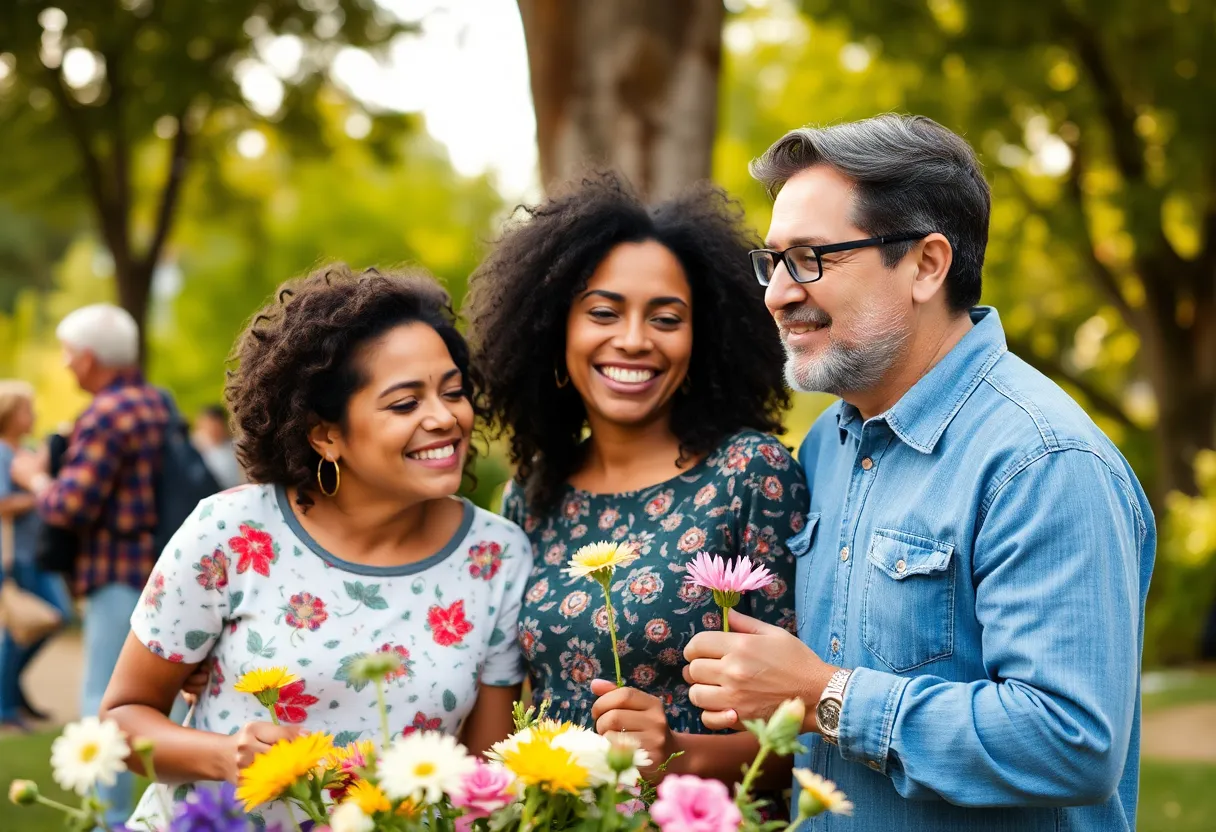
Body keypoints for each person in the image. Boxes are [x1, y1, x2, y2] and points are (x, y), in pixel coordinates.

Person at [681, 115, 1155, 830]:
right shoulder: (828, 446)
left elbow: (1073, 741)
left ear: (927, 265)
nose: (777, 292)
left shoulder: (1043, 460)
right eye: (772, 261)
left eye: (811, 257)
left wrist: (826, 696)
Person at [100, 265, 531, 830]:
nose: (444, 417)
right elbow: (120, 721)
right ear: (325, 433)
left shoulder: (497, 556)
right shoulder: (231, 532)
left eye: (453, 392)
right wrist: (226, 756)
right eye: (405, 403)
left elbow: (480, 776)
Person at [465, 174, 807, 792]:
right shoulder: (532, 496)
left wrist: (677, 753)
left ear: (701, 339)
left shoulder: (749, 474)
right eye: (603, 312)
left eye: (666, 317)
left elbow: (803, 732)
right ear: (554, 329)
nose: (632, 340)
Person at [10, 304, 171, 826]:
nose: (64, 364)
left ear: (89, 357)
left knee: (105, 706)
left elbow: (69, 504)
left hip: (115, 571)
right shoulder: (153, 402)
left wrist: (36, 477)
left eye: (68, 353)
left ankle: (109, 820)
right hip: (155, 567)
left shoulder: (106, 413)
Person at [0, 380, 72, 731]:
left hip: (35, 553)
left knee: (51, 618)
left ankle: (11, 690)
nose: (33, 415)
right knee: (24, 627)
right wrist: (40, 495)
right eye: (27, 409)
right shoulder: (2, 453)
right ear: (10, 414)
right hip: (15, 556)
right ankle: (5, 702)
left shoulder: (24, 450)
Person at [191, 404, 244, 489]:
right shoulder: (195, 447)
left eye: (216, 426)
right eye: (208, 425)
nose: (212, 430)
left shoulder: (237, 446)